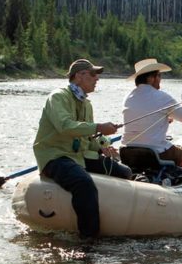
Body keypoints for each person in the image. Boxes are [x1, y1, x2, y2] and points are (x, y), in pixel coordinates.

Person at [33, 58, 130, 238]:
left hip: (78, 156)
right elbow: (65, 126)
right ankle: (88, 240)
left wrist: (103, 146)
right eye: (93, 74)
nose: (97, 79)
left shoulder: (87, 104)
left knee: (124, 172)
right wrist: (99, 127)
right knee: (83, 184)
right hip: (55, 157)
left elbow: (87, 139)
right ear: (78, 76)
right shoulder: (58, 97)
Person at [121, 58, 182, 168]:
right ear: (151, 78)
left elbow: (144, 114)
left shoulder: (128, 97)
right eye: (159, 76)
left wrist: (163, 119)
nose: (160, 79)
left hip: (128, 152)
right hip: (154, 153)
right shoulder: (162, 97)